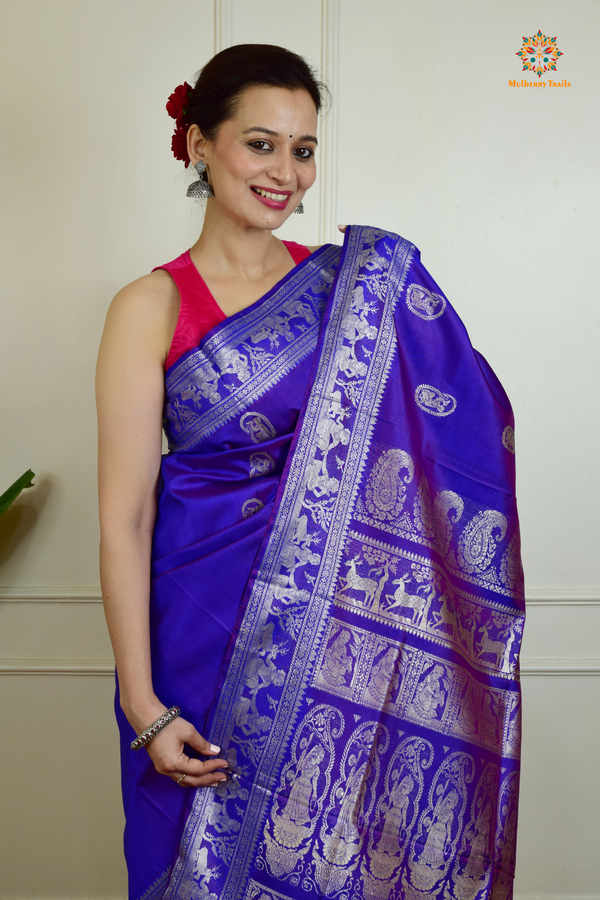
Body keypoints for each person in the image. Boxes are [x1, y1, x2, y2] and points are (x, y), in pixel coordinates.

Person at [96, 44, 525, 900]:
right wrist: (144, 706)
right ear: (196, 144)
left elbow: (462, 427)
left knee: (340, 854)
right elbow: (125, 519)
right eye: (260, 144)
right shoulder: (153, 306)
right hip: (198, 638)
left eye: (302, 148)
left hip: (345, 642)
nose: (286, 173)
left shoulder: (352, 290)